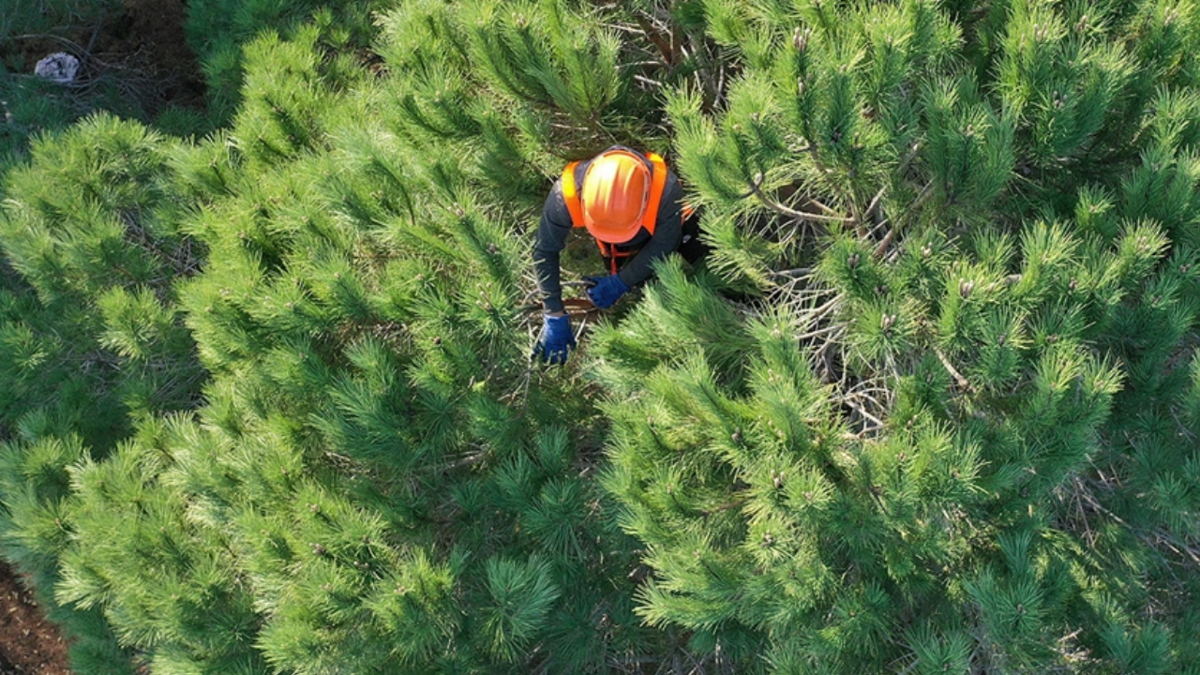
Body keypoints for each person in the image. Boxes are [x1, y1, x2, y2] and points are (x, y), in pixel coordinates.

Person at [532, 146, 686, 365]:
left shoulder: (666, 192)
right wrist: (553, 311)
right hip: (618, 233)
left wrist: (623, 281)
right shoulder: (565, 195)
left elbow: (665, 243)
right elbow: (544, 250)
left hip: (653, 231)